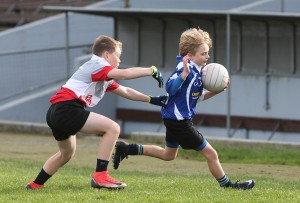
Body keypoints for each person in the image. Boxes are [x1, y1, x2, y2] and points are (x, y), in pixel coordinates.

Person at [112, 28, 255, 190]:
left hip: (174, 119)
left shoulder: (197, 71)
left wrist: (217, 90)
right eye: (203, 53)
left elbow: (197, 97)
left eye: (207, 53)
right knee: (211, 153)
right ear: (190, 55)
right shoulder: (184, 69)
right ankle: (228, 185)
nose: (207, 57)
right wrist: (184, 75)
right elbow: (170, 89)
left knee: (168, 155)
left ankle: (126, 148)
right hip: (180, 123)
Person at [26, 35, 167, 190]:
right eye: (117, 56)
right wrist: (150, 70)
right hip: (67, 109)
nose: (119, 61)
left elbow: (125, 90)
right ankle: (101, 176)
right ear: (106, 55)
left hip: (56, 111)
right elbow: (125, 74)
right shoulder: (98, 65)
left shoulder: (100, 71)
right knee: (113, 128)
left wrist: (151, 99)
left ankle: (35, 184)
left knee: (66, 154)